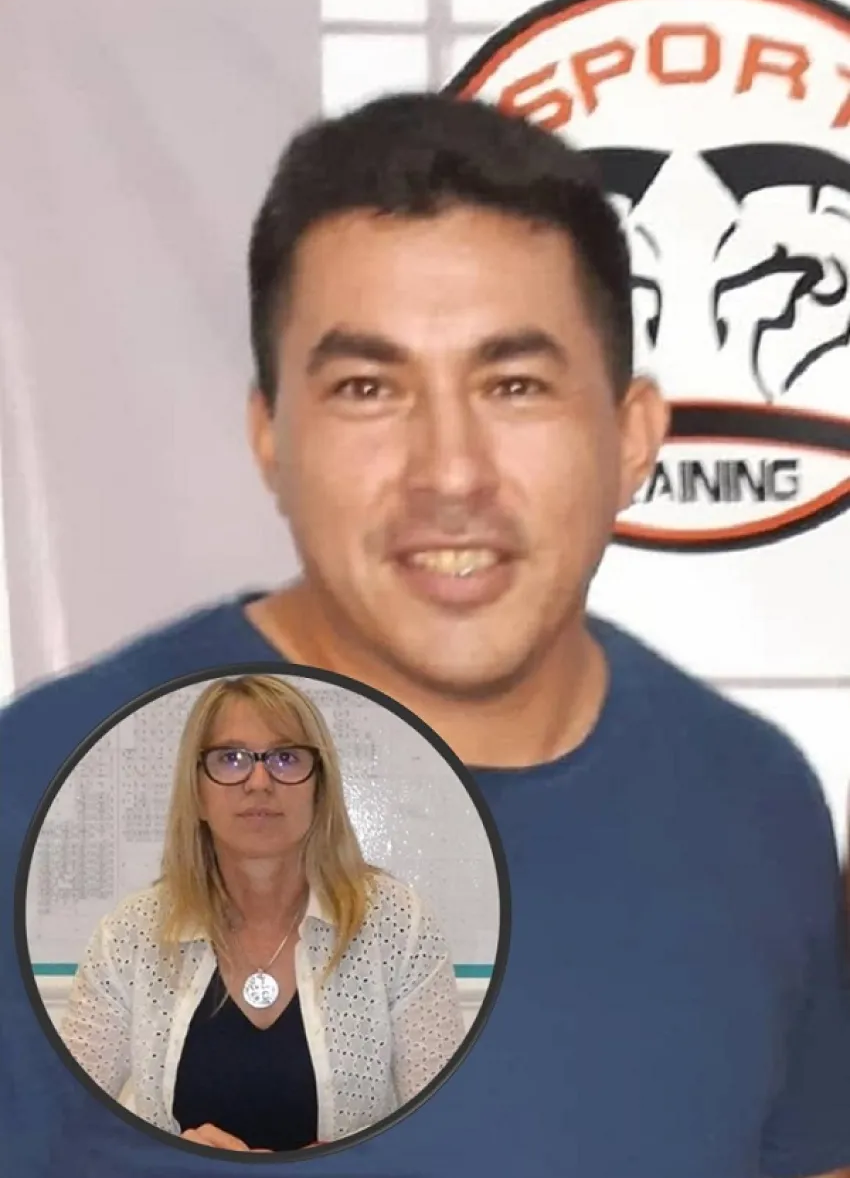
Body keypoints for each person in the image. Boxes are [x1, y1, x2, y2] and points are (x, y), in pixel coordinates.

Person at [2, 92, 850, 1178]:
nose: (450, 474)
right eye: (368, 388)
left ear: (631, 435)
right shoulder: (38, 804)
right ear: (271, 438)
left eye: (515, 385)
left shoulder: (756, 801)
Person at [57, 674, 464, 1152]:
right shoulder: (128, 937)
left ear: (319, 788)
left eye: (285, 758)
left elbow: (448, 1138)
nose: (258, 781)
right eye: (230, 759)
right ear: (197, 792)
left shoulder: (398, 925)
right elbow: (57, 1129)